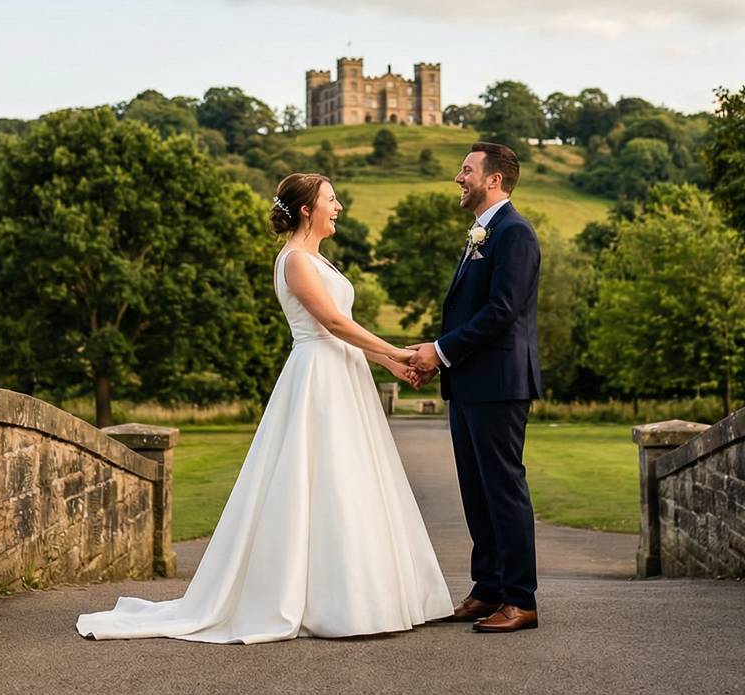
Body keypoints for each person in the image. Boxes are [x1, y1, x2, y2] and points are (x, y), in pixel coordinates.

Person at [76, 173, 452, 643]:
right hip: (316, 377)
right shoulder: (294, 260)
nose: (338, 208)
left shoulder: (321, 262)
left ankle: (363, 595)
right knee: (319, 478)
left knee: (351, 478)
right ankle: (323, 600)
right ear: (307, 210)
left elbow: (346, 328)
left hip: (343, 374)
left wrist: (388, 366)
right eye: (331, 201)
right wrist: (399, 352)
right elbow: (331, 323)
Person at [407, 142, 543, 633]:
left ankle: (520, 599)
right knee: (477, 491)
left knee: (503, 490)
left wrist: (439, 352)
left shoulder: (516, 233)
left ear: (493, 180)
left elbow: (502, 312)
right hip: (470, 383)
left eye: (466, 170)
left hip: (500, 383)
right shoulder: (483, 233)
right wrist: (442, 360)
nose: (457, 178)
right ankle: (487, 588)